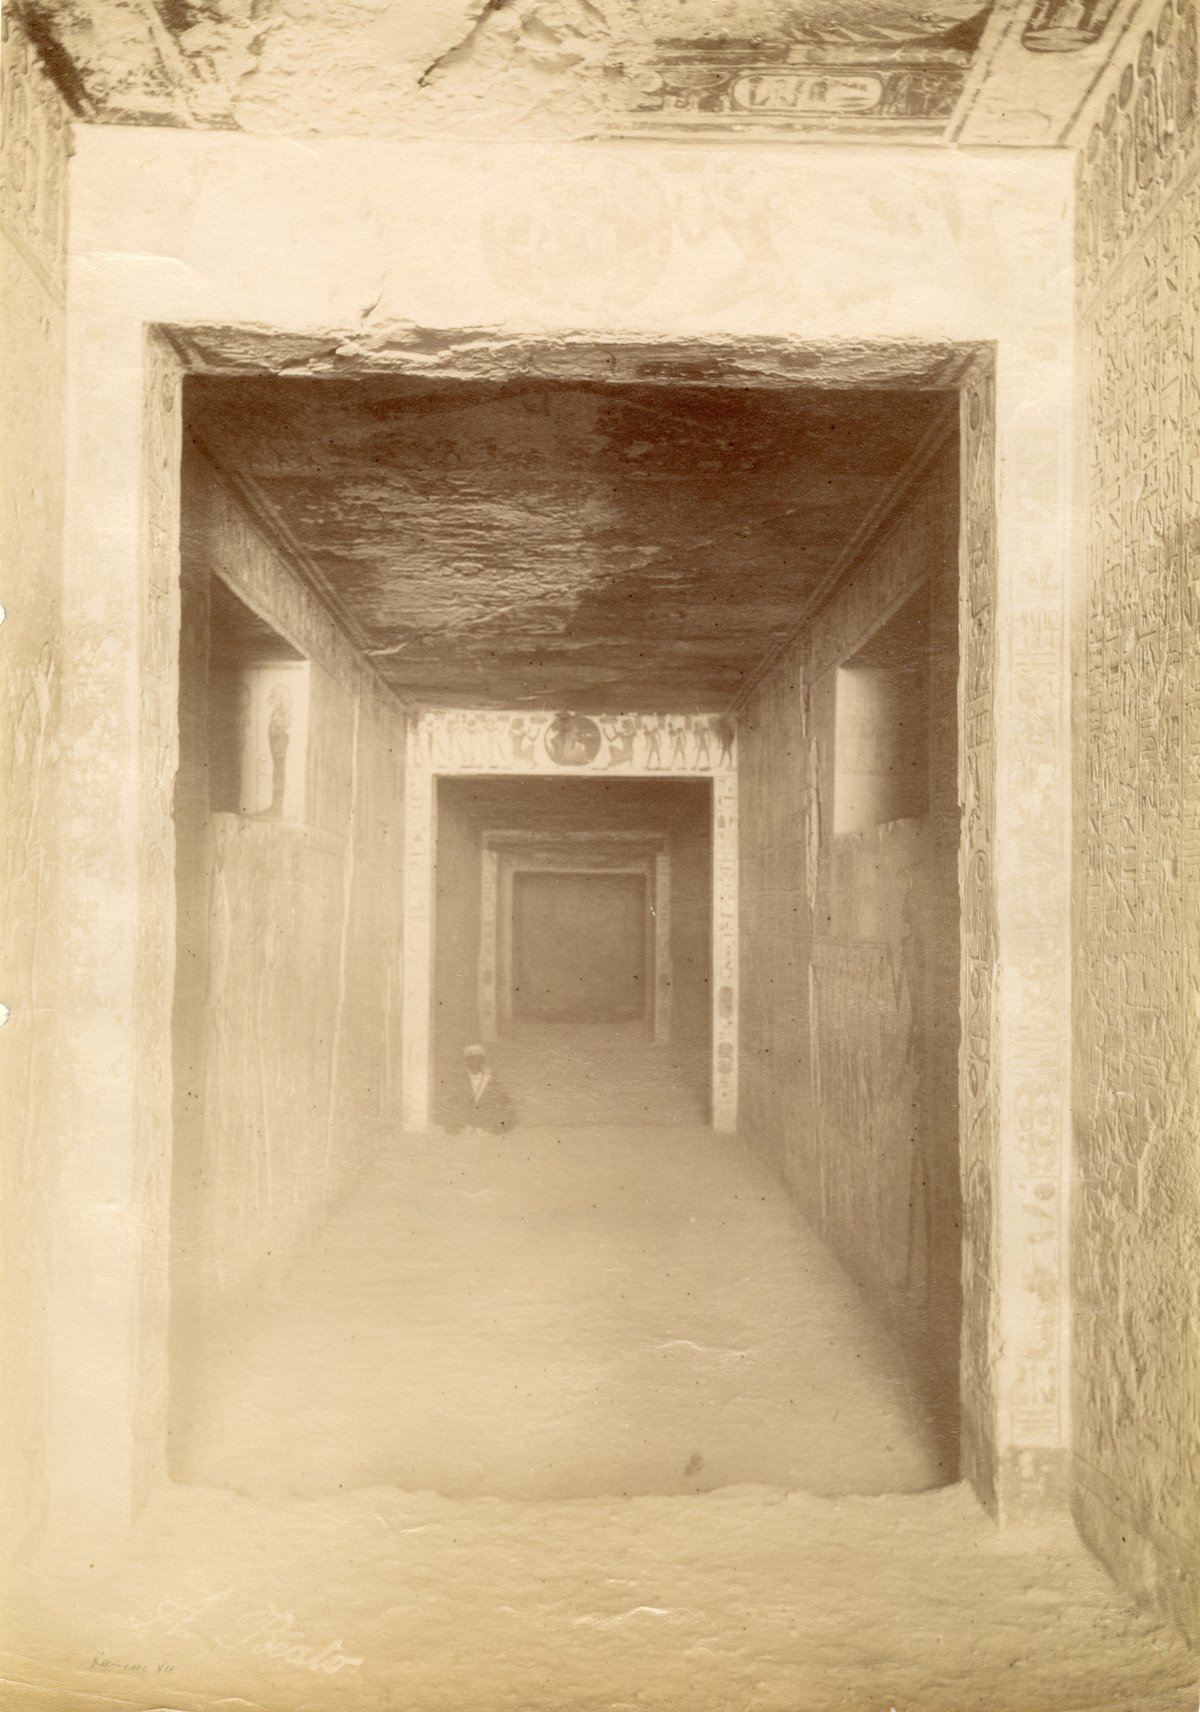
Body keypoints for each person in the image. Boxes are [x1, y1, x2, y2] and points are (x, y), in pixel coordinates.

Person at [445, 1044, 516, 1136]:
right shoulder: (458, 1080)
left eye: (479, 1058)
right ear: (466, 1061)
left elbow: (503, 1102)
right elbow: (452, 1103)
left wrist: (490, 1126)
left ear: (483, 1060)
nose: (475, 1062)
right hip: (464, 1128)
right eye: (471, 1058)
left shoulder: (492, 1079)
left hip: (487, 1128)